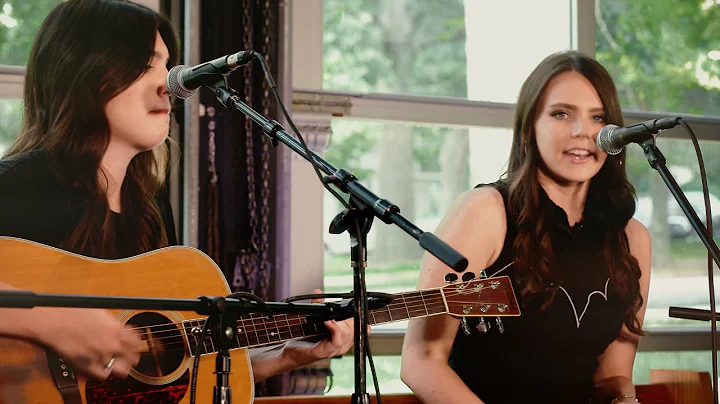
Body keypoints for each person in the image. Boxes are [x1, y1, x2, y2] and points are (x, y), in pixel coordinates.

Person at [0, 0, 353, 384]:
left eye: (167, 66)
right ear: (83, 73)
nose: (170, 83)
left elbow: (166, 364)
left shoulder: (148, 208)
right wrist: (55, 322)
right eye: (147, 64)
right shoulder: (15, 184)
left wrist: (285, 355)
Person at [400, 50, 651, 404]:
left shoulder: (631, 238)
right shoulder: (485, 211)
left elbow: (613, 375)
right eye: (562, 114)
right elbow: (421, 361)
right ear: (529, 126)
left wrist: (625, 401)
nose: (583, 132)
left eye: (598, 118)